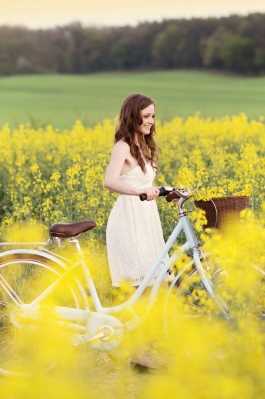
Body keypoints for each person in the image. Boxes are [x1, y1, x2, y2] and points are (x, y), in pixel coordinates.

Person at [104, 93, 166, 371]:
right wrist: (140, 190)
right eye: (146, 116)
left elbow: (143, 183)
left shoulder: (143, 145)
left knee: (152, 286)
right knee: (137, 289)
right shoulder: (123, 147)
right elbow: (110, 181)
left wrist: (166, 191)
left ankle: (129, 346)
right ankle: (134, 353)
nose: (151, 121)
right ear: (133, 116)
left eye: (153, 115)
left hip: (146, 219)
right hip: (128, 221)